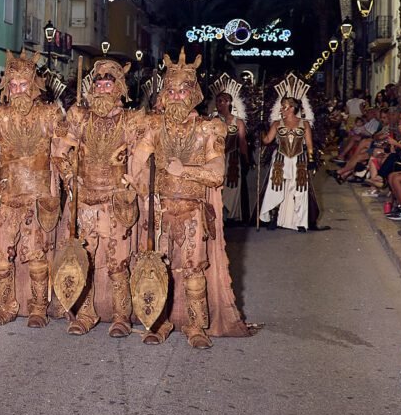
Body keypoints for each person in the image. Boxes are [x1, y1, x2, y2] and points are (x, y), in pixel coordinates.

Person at [131, 50, 251, 348]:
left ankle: (196, 325)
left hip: (192, 210)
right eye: (169, 91)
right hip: (159, 210)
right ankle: (160, 320)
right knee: (159, 267)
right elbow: (137, 161)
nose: (175, 96)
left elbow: (217, 173)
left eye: (182, 90)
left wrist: (185, 169)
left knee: (193, 270)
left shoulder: (209, 128)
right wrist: (130, 181)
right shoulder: (154, 126)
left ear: (193, 93)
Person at [0, 52, 63, 329]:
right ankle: (6, 307)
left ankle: (38, 308)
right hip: (7, 196)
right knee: (1, 256)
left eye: (23, 85)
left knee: (37, 256)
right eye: (12, 86)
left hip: (36, 197)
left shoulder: (49, 114)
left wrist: (63, 169)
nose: (17, 91)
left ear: (33, 86)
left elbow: (61, 149)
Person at [58, 58, 143, 338]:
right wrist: (70, 176)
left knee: (118, 263)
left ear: (119, 88)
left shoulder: (131, 121)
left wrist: (133, 181)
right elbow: (59, 153)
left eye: (109, 85)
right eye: (99, 84)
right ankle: (85, 313)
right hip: (85, 201)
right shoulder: (79, 117)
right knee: (85, 259)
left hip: (115, 202)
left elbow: (144, 158)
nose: (103, 90)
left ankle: (121, 316)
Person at [259, 78, 316, 232]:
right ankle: (273, 218)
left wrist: (311, 160)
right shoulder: (277, 124)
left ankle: (301, 222)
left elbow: (309, 144)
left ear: (292, 108)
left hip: (299, 160)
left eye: (284, 107)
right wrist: (261, 130)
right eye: (281, 107)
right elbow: (267, 140)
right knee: (275, 188)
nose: (281, 110)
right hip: (280, 159)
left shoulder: (304, 123)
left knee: (300, 189)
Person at [212, 86, 249, 223]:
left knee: (232, 186)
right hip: (216, 157)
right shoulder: (213, 121)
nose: (218, 104)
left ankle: (232, 216)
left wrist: (246, 159)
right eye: (217, 101)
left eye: (221, 101)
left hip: (233, 158)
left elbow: (242, 142)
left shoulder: (238, 122)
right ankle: (217, 215)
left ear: (228, 102)